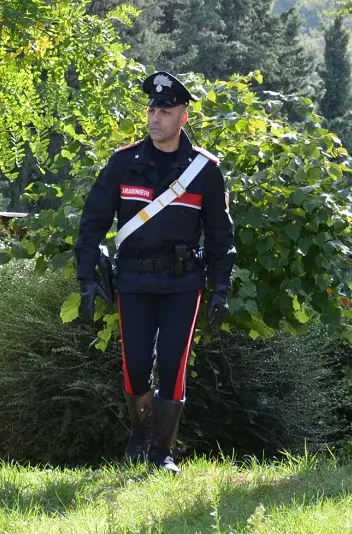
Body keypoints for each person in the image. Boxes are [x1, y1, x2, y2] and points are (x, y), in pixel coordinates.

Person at [75, 71, 236, 474]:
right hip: (133, 279)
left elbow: (220, 235)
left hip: (183, 282)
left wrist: (221, 288)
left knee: (172, 363)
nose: (155, 117)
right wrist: (85, 279)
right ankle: (141, 430)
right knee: (133, 365)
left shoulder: (204, 171)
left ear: (183, 115)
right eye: (152, 109)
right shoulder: (124, 163)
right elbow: (92, 223)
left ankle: (162, 450)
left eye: (165, 110)